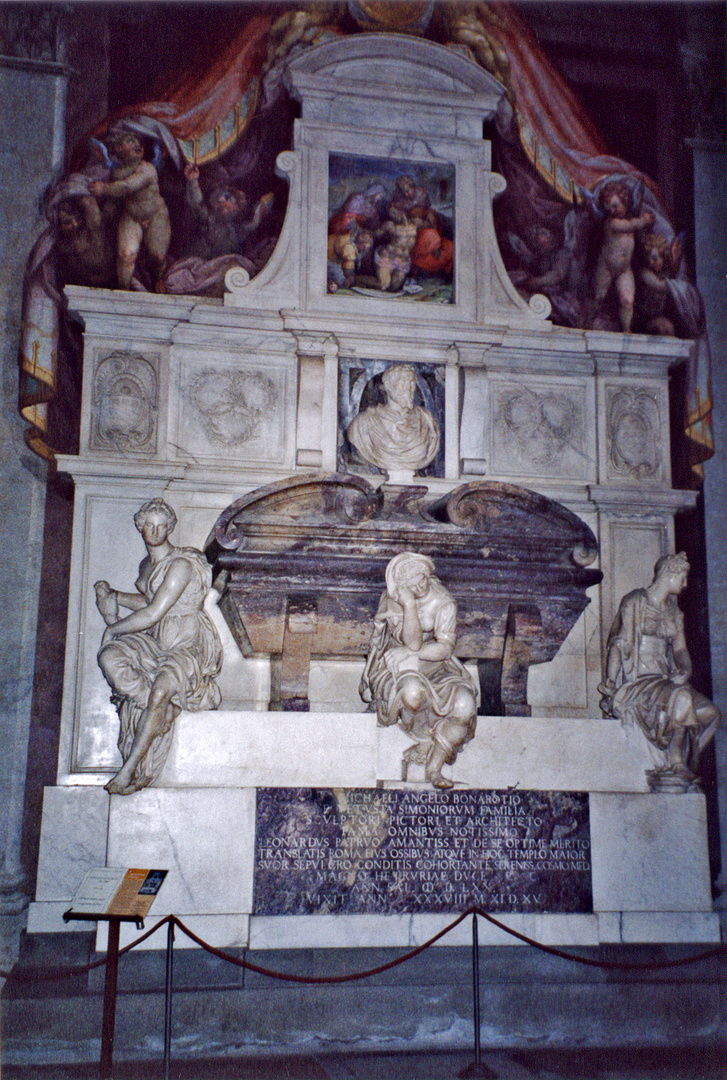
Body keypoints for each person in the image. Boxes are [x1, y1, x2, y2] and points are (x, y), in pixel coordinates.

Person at [94, 498, 223, 794]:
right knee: (110, 656)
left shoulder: (181, 564)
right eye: (149, 525)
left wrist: (114, 627)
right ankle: (157, 711)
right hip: (158, 637)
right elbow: (151, 605)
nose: (155, 531)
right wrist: (115, 596)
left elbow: (155, 612)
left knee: (162, 689)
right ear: (140, 527)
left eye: (161, 526)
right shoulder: (148, 565)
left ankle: (127, 772)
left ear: (170, 528)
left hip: (188, 639)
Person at [599, 552, 719, 788]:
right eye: (683, 578)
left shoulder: (674, 612)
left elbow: (680, 649)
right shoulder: (634, 602)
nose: (685, 585)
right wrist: (611, 681)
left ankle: (683, 758)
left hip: (665, 682)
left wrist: (685, 669)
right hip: (640, 682)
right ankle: (674, 761)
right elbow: (619, 643)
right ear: (669, 574)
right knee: (682, 697)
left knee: (711, 714)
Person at [360, 552, 479, 789]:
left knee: (465, 704)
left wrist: (412, 653)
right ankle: (425, 740)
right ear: (402, 587)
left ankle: (434, 767)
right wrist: (410, 605)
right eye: (412, 585)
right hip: (397, 666)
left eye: (422, 579)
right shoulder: (394, 601)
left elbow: (444, 648)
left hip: (438, 667)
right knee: (412, 694)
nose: (420, 587)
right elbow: (411, 643)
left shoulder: (443, 602)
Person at [90, 130, 171, 291]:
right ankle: (123, 289)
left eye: (138, 142)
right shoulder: (117, 173)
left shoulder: (147, 168)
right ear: (118, 149)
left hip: (156, 215)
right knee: (126, 255)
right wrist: (102, 220)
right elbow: (114, 201)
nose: (137, 144)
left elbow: (127, 187)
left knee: (158, 257)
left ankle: (159, 278)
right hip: (132, 217)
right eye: (130, 140)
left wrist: (103, 188)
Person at [347, 363, 440, 475]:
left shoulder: (426, 420)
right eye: (403, 381)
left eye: (412, 382)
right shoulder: (363, 423)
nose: (409, 387)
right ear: (388, 386)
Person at [591, 181, 655, 333]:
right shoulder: (612, 222)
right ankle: (587, 323)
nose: (612, 211)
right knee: (598, 298)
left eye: (615, 205)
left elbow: (636, 228)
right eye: (609, 208)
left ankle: (627, 330)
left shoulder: (629, 217)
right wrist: (644, 220)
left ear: (624, 200)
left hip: (624, 270)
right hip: (606, 267)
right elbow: (631, 226)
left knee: (628, 301)